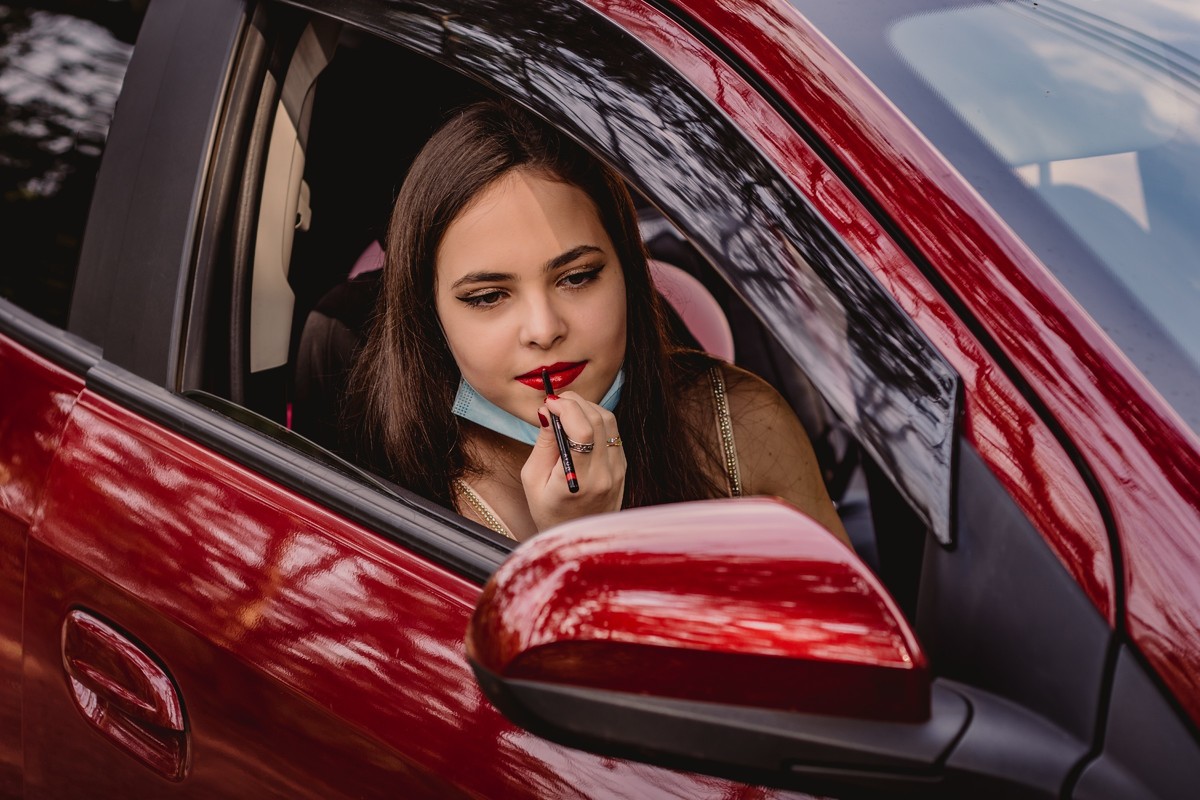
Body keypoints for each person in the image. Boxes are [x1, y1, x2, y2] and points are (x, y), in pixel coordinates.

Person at [347, 100, 849, 545]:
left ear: (629, 271)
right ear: (428, 312)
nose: (543, 330)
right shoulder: (385, 485)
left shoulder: (738, 424)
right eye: (487, 297)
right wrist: (576, 542)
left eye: (578, 277)